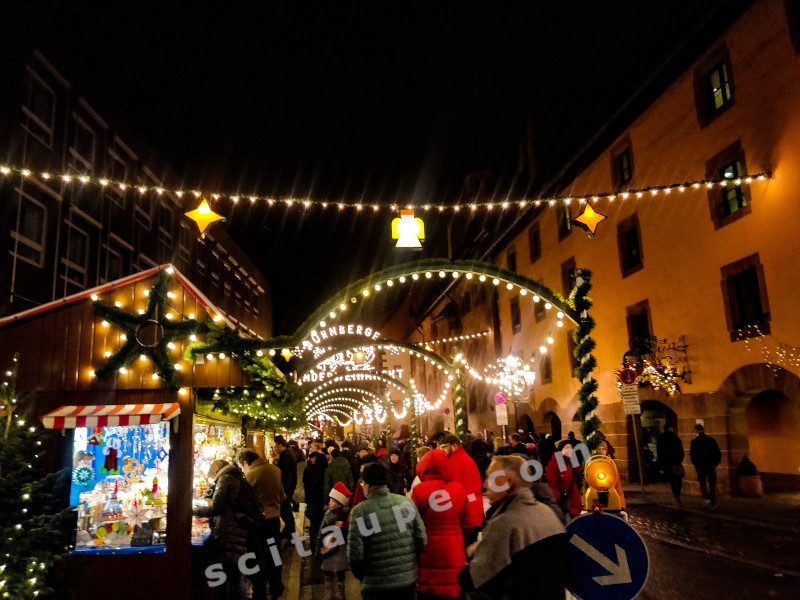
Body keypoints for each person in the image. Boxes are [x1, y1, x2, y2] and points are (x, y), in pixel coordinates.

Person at [460, 455, 570, 600]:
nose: (485, 484)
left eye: (491, 478)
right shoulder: (547, 513)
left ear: (508, 483)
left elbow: (476, 579)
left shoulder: (505, 523)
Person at [347, 462, 427, 600]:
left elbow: (355, 555)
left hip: (375, 586)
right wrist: (407, 563)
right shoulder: (406, 503)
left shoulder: (360, 512)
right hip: (406, 582)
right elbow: (422, 540)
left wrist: (364, 576)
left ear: (367, 484)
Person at [195, 460, 261, 600]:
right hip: (237, 529)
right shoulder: (236, 477)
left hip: (228, 530)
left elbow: (217, 506)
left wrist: (196, 510)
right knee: (234, 573)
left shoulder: (225, 479)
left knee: (226, 573)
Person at [411, 449, 470, 600]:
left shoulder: (418, 491)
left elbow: (413, 525)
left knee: (429, 592)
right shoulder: (459, 489)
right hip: (454, 553)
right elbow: (468, 524)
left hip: (427, 554)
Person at [238, 450, 285, 600]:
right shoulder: (276, 470)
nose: (243, 470)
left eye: (242, 467)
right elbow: (282, 495)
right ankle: (277, 586)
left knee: (259, 557)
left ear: (245, 463)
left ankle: (260, 591)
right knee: (274, 555)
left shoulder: (252, 474)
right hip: (275, 519)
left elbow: (244, 500)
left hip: (259, 522)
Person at [438, 434, 484, 543]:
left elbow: (453, 489)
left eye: (444, 447)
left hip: (467, 514)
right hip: (475, 511)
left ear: (454, 446)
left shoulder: (455, 461)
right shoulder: (465, 458)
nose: (442, 450)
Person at [317, 482, 352, 600]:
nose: (330, 503)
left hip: (339, 548)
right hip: (329, 547)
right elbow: (321, 531)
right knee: (328, 572)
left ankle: (340, 592)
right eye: (330, 500)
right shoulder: (328, 514)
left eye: (333, 501)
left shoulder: (345, 515)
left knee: (340, 572)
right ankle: (330, 592)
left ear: (340, 503)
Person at [546, 440, 582, 524]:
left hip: (574, 501)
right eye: (567, 448)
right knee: (567, 528)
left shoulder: (573, 461)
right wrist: (557, 500)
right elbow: (552, 484)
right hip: (563, 503)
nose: (570, 450)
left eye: (571, 448)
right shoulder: (556, 462)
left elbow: (576, 481)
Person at [690, 424, 721, 509]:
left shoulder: (695, 441)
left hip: (700, 465)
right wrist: (716, 463)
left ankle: (705, 498)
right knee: (712, 484)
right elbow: (717, 452)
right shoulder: (711, 440)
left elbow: (692, 455)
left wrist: (695, 464)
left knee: (702, 483)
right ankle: (713, 502)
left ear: (696, 431)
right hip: (711, 465)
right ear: (703, 430)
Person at [303, 451, 328, 553]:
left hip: (311, 500)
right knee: (322, 523)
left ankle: (314, 547)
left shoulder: (308, 470)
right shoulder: (325, 472)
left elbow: (305, 484)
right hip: (321, 501)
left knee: (314, 523)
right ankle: (322, 546)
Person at [273, 435, 297, 540]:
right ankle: (289, 534)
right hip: (288, 487)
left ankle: (291, 535)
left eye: (275, 446)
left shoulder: (286, 455)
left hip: (287, 488)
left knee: (285, 512)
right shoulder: (288, 452)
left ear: (279, 444)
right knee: (286, 512)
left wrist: (285, 491)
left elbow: (288, 474)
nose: (274, 448)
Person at [657, 425, 685, 504]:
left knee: (672, 480)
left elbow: (659, 453)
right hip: (676, 462)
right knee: (678, 479)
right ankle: (677, 495)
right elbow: (681, 451)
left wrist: (661, 465)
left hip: (667, 463)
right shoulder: (676, 439)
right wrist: (679, 460)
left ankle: (675, 495)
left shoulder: (661, 439)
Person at [595, 441, 626, 509]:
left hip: (611, 497)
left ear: (606, 450)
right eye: (599, 449)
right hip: (595, 499)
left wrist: (622, 505)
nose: (601, 451)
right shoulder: (592, 465)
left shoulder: (611, 465)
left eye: (603, 449)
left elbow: (618, 486)